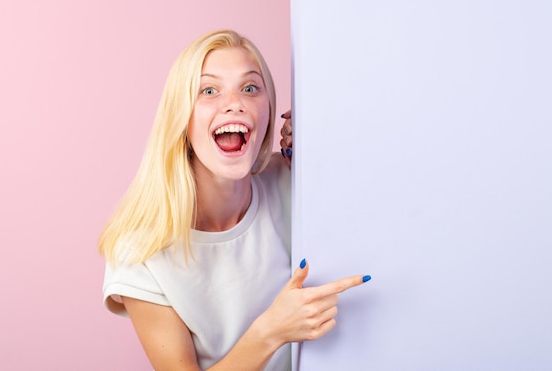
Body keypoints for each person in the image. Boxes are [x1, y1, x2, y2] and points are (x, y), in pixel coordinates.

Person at [98, 29, 370, 370]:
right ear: (180, 117)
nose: (235, 102)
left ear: (269, 112)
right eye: (209, 90)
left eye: (250, 88)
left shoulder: (293, 180)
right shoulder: (139, 252)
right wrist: (271, 331)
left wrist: (323, 139)